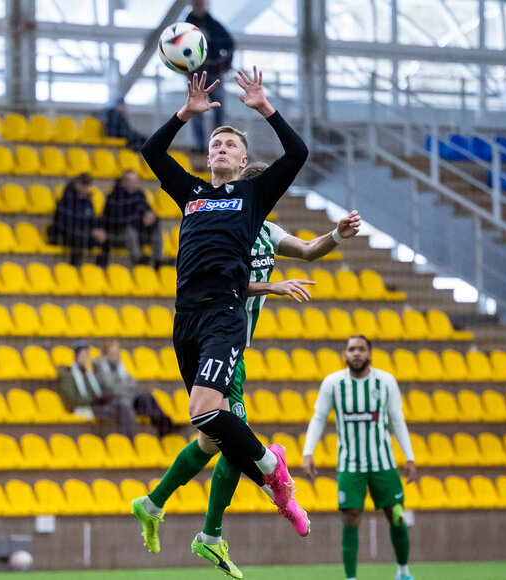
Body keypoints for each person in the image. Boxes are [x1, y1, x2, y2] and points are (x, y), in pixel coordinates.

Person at [135, 161, 363, 577]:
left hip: (234, 344)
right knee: (229, 435)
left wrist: (335, 234)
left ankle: (153, 504)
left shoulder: (268, 231)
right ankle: (215, 530)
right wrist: (271, 286)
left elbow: (310, 251)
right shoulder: (218, 220)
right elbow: (216, 278)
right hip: (214, 336)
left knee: (209, 441)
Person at [131, 66, 309, 564]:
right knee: (210, 430)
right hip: (184, 316)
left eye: (229, 146)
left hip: (224, 315)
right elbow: (150, 154)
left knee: (204, 410)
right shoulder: (191, 193)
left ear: (245, 159)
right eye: (214, 145)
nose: (220, 150)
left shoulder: (254, 196)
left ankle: (273, 471)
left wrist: (264, 108)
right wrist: (183, 112)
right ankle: (167, 509)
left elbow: (298, 154)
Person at [302, 335, 416, 580]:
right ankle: (351, 577)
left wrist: (409, 456)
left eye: (361, 349)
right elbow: (319, 417)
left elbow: (397, 419)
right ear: (345, 353)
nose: (356, 353)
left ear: (370, 354)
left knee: (396, 513)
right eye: (351, 349)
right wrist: (308, 451)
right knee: (351, 516)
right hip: (350, 464)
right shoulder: (333, 383)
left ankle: (403, 571)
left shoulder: (386, 382)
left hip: (383, 463)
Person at [93, 340, 175, 438]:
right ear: (105, 355)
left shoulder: (120, 367)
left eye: (116, 353)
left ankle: (165, 425)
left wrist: (124, 389)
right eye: (112, 353)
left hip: (126, 398)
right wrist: (124, 388)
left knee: (147, 397)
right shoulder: (100, 369)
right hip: (112, 402)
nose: (115, 356)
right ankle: (129, 439)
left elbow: (133, 384)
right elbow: (109, 388)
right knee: (124, 405)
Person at [185, 0, 234, 152]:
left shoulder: (215, 25)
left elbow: (231, 45)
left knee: (218, 111)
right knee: (195, 112)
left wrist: (225, 67)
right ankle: (200, 146)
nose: (198, 4)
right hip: (196, 76)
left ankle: (217, 145)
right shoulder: (186, 26)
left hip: (214, 75)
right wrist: (185, 70)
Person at [102, 171, 164, 268]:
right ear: (123, 182)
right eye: (130, 181)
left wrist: (150, 216)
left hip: (139, 230)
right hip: (117, 233)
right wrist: (140, 220)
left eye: (135, 181)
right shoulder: (115, 196)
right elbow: (118, 221)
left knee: (156, 227)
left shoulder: (140, 194)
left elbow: (147, 210)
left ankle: (158, 261)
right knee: (130, 230)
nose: (133, 184)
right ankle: (137, 261)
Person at [48, 173, 107, 266]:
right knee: (78, 236)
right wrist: (91, 232)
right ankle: (75, 266)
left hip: (84, 232)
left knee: (106, 238)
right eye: (82, 184)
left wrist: (98, 230)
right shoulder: (67, 200)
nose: (84, 188)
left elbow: (92, 219)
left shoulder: (88, 201)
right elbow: (68, 224)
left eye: (87, 185)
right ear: (76, 184)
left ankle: (100, 268)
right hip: (64, 234)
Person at [57, 340, 105, 421]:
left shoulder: (89, 373)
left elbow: (96, 392)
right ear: (76, 356)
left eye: (86, 355)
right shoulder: (69, 373)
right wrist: (91, 401)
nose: (85, 358)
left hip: (92, 407)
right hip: (79, 409)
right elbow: (70, 398)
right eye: (82, 355)